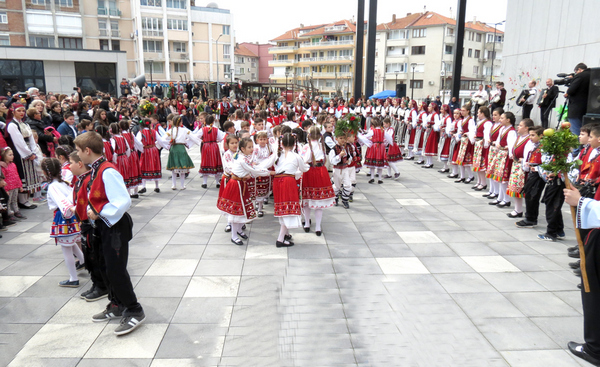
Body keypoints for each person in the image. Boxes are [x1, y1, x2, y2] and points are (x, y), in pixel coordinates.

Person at [74, 131, 145, 336]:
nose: (78, 155)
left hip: (114, 227)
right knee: (105, 266)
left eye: (79, 151)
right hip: (104, 226)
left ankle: (134, 309)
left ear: (88, 150)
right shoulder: (96, 169)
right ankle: (117, 304)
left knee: (116, 269)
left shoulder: (107, 171)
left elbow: (123, 201)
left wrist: (99, 212)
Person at [217, 137, 274, 246]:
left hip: (242, 184)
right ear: (242, 148)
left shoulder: (244, 157)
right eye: (249, 147)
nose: (252, 149)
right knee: (236, 210)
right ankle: (234, 235)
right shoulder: (242, 159)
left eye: (252, 146)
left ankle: (239, 230)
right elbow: (254, 170)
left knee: (242, 208)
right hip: (236, 185)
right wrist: (270, 173)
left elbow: (252, 167)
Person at [43, 157, 84, 287]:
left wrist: (67, 212)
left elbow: (63, 204)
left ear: (46, 172)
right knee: (72, 244)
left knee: (66, 249)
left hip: (63, 217)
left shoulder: (53, 187)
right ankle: (85, 262)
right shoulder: (64, 183)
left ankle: (73, 278)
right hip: (70, 217)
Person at [273, 133, 309, 247]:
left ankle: (285, 234)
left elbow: (265, 164)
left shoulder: (277, 155)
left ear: (281, 144)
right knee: (288, 208)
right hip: (288, 182)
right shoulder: (296, 156)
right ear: (294, 144)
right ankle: (280, 239)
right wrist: (307, 165)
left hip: (277, 181)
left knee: (282, 206)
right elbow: (304, 168)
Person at [5, 103, 43, 209]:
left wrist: (33, 151)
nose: (22, 113)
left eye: (23, 111)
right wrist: (28, 154)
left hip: (28, 150)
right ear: (13, 112)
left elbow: (31, 138)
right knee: (23, 174)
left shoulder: (25, 124)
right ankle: (22, 201)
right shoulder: (12, 125)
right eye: (19, 111)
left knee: (30, 175)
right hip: (19, 152)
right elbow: (18, 142)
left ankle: (26, 200)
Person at [300, 126, 335, 235]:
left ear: (308, 136)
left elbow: (304, 160)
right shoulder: (322, 146)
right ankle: (318, 227)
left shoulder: (306, 147)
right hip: (321, 172)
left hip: (309, 172)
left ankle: (306, 223)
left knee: (307, 200)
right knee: (318, 201)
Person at [515, 126, 545, 228]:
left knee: (533, 195)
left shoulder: (543, 147)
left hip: (538, 174)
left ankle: (531, 219)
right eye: (530, 135)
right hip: (533, 172)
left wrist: (536, 168)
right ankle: (529, 217)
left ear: (541, 136)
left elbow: (545, 162)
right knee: (529, 194)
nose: (530, 137)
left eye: (533, 135)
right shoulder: (535, 145)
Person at [506, 118, 534, 217]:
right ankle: (517, 209)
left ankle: (521, 210)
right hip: (516, 165)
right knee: (515, 188)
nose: (518, 127)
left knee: (521, 189)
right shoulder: (519, 137)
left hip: (523, 167)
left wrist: (524, 160)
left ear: (526, 128)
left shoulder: (529, 140)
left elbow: (529, 153)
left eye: (521, 125)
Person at [489, 112, 517, 208]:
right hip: (500, 154)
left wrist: (506, 147)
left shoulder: (511, 131)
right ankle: (500, 198)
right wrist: (497, 144)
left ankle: (506, 199)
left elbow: (512, 145)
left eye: (502, 118)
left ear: (508, 120)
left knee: (503, 178)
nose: (500, 120)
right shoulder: (502, 129)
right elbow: (498, 140)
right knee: (499, 177)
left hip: (505, 156)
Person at [164, 115, 200, 190]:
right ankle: (182, 185)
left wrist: (163, 145)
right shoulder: (184, 130)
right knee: (182, 168)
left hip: (173, 149)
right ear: (180, 122)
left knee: (174, 168)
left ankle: (173, 185)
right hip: (181, 148)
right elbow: (193, 137)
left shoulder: (170, 130)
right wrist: (200, 143)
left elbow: (163, 139)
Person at [196, 114, 225, 189]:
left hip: (206, 146)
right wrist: (216, 140)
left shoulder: (203, 129)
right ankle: (217, 182)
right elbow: (221, 138)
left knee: (206, 162)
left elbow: (196, 137)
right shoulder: (216, 129)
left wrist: (202, 140)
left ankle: (204, 183)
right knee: (216, 162)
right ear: (213, 121)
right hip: (214, 146)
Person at [137, 118, 164, 193]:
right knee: (155, 166)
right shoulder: (154, 131)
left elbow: (138, 141)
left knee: (144, 166)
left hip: (145, 151)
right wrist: (163, 146)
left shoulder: (141, 132)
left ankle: (143, 186)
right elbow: (160, 140)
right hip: (154, 150)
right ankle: (157, 186)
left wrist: (141, 148)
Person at [565, 63, 591, 136]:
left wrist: (568, 91)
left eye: (576, 72)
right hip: (589, 108)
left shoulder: (580, 76)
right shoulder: (593, 75)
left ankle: (577, 147)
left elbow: (571, 90)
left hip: (576, 108)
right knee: (586, 131)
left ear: (579, 69)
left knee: (575, 130)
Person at [1, 147, 25, 221]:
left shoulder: (13, 165)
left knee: (14, 200)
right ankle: (9, 213)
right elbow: (3, 178)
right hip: (8, 187)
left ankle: (16, 211)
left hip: (15, 186)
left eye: (12, 154)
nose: (12, 156)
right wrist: (5, 189)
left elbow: (17, 175)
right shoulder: (3, 167)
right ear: (4, 156)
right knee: (8, 201)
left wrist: (20, 185)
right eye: (10, 155)